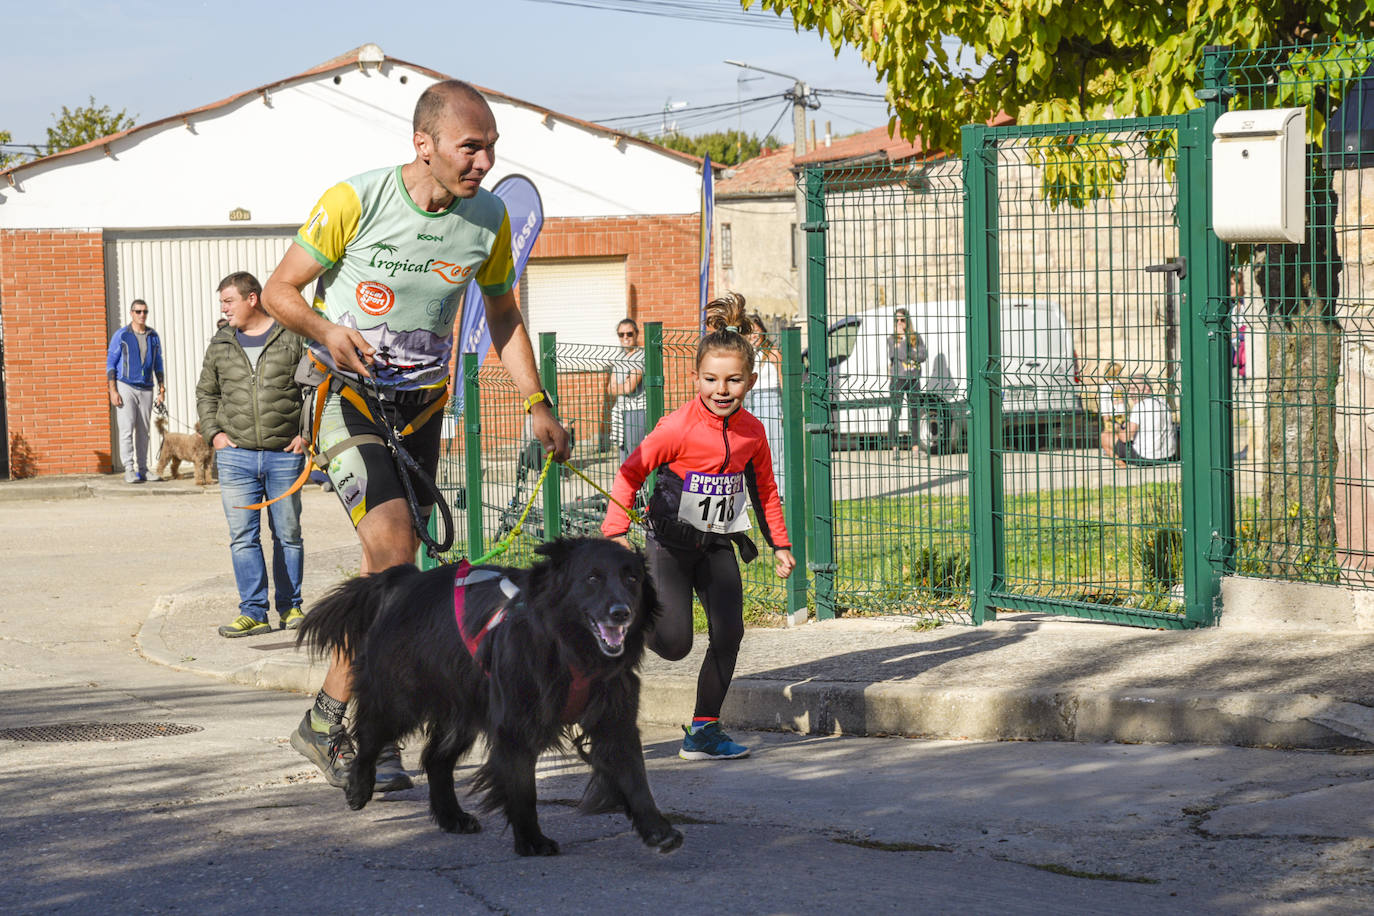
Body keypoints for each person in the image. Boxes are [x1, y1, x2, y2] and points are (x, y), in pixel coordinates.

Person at [262, 79, 571, 793]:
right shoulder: (356, 200)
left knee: (398, 581)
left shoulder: (487, 218)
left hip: (423, 410)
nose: (484, 162)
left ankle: (349, 718)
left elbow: (503, 314)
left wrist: (537, 401)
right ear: (423, 144)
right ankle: (343, 719)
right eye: (471, 147)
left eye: (492, 148)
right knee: (396, 551)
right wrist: (326, 329)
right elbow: (281, 292)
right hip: (348, 400)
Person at [602, 292, 795, 761]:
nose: (721, 390)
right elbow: (631, 471)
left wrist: (780, 544)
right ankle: (622, 625)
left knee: (729, 633)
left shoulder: (753, 431)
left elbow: (765, 489)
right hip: (669, 544)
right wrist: (612, 533)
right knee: (673, 645)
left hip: (717, 544)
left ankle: (704, 731)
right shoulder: (677, 427)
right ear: (696, 379)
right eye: (711, 380)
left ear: (750, 381)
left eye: (732, 380)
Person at [196, 272, 309, 638]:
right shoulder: (221, 343)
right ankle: (253, 613)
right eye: (222, 303)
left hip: (284, 456)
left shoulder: (291, 337)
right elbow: (206, 394)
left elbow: (313, 388)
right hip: (236, 458)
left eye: (228, 301)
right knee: (242, 537)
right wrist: (214, 434)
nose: (223, 309)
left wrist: (307, 435)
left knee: (288, 534)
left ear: (252, 299)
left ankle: (291, 608)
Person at [106, 299, 165, 483]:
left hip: (146, 387)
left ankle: (143, 469)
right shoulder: (122, 335)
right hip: (126, 386)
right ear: (131, 313)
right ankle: (129, 469)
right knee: (126, 429)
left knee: (144, 431)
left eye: (145, 312)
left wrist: (161, 389)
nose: (142, 315)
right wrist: (113, 390)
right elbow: (111, 363)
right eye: (138, 311)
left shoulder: (153, 336)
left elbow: (158, 364)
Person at [742, 314, 785, 493]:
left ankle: (781, 491)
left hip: (770, 399)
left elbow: (783, 380)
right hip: (749, 401)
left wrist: (784, 410)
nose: (754, 335)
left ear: (763, 331)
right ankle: (758, 492)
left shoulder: (773, 353)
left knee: (775, 447)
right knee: (753, 451)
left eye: (756, 331)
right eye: (749, 332)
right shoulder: (745, 356)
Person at [1100, 379, 1178, 467]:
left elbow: (1124, 437)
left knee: (1105, 436)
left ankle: (1122, 466)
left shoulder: (1140, 406)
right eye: (1130, 389)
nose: (1130, 394)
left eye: (1134, 389)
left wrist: (1118, 428)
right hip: (1168, 455)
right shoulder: (1163, 402)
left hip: (1146, 458)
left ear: (1147, 388)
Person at [887, 307, 927, 458]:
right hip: (898, 378)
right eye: (896, 320)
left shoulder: (916, 337)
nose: (899, 323)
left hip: (913, 378)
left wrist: (909, 350)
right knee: (896, 412)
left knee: (915, 412)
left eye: (902, 320)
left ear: (907, 321)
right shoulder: (892, 339)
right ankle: (895, 448)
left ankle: (915, 448)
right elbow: (901, 356)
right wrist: (905, 342)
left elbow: (923, 356)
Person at [608, 317, 646, 463]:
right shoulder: (619, 357)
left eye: (629, 334)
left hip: (636, 410)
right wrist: (623, 385)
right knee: (624, 453)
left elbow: (630, 387)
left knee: (636, 453)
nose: (625, 338)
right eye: (621, 334)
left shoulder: (640, 356)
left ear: (636, 334)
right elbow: (610, 389)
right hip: (621, 410)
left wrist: (622, 386)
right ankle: (628, 486)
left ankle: (641, 486)